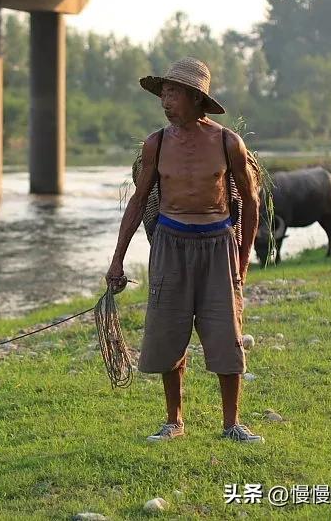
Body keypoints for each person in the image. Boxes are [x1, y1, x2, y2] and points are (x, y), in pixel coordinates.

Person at [106, 57, 263, 443]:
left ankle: (232, 424)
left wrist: (242, 258)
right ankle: (174, 421)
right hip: (170, 245)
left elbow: (251, 199)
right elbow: (139, 200)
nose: (165, 101)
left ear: (195, 98)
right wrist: (117, 259)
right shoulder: (156, 143)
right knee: (169, 330)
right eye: (163, 94)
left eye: (173, 94)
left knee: (226, 334)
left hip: (218, 245)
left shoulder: (228, 142)